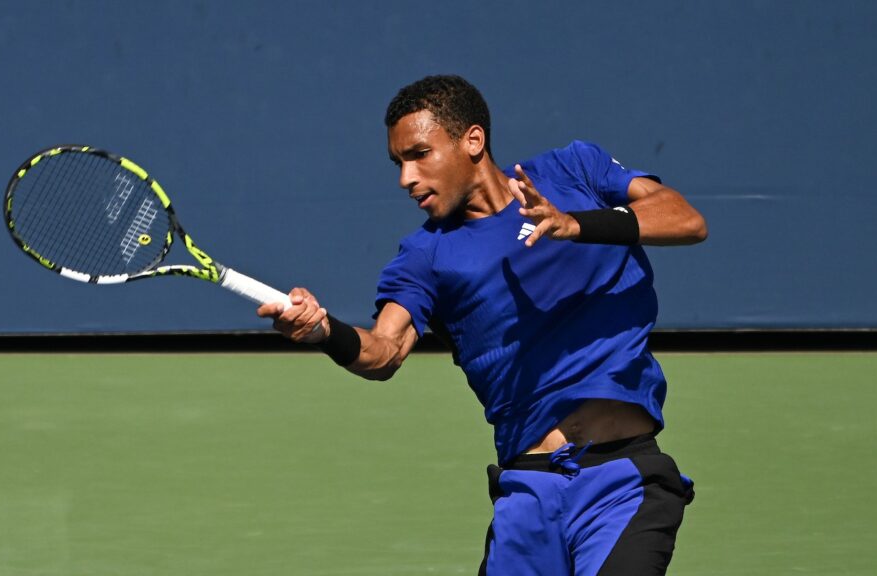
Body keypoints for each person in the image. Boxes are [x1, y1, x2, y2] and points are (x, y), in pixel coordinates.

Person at [258, 75, 707, 576]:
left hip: (623, 482)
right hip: (527, 494)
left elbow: (685, 219)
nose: (405, 178)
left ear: (472, 140)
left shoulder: (574, 170)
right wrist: (323, 332)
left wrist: (577, 224)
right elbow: (382, 350)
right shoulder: (425, 256)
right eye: (398, 163)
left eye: (419, 154)